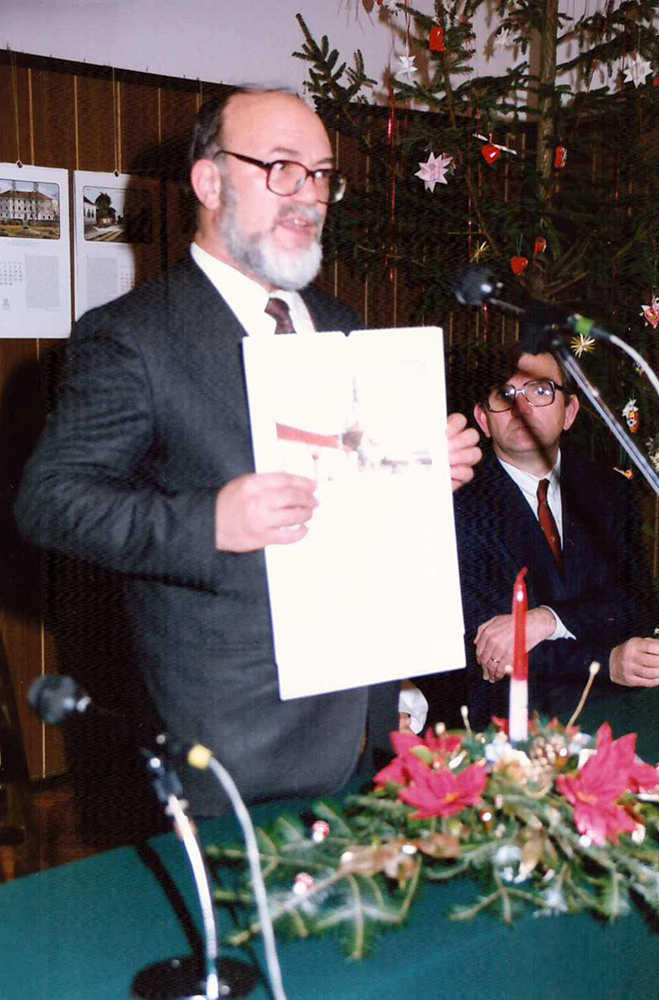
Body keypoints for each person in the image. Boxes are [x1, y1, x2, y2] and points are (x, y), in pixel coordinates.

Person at [15, 88, 481, 816]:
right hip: (232, 741)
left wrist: (418, 472)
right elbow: (51, 501)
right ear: (209, 182)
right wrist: (210, 523)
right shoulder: (132, 336)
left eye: (322, 175)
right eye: (282, 168)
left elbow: (352, 493)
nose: (310, 196)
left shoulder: (342, 324)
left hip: (366, 718)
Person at [426, 346, 659, 731]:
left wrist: (548, 619)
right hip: (505, 726)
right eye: (505, 395)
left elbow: (635, 605)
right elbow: (488, 651)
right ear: (483, 419)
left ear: (569, 412)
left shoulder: (610, 490)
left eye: (540, 390)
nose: (521, 407)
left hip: (613, 711)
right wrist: (607, 660)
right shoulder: (454, 501)